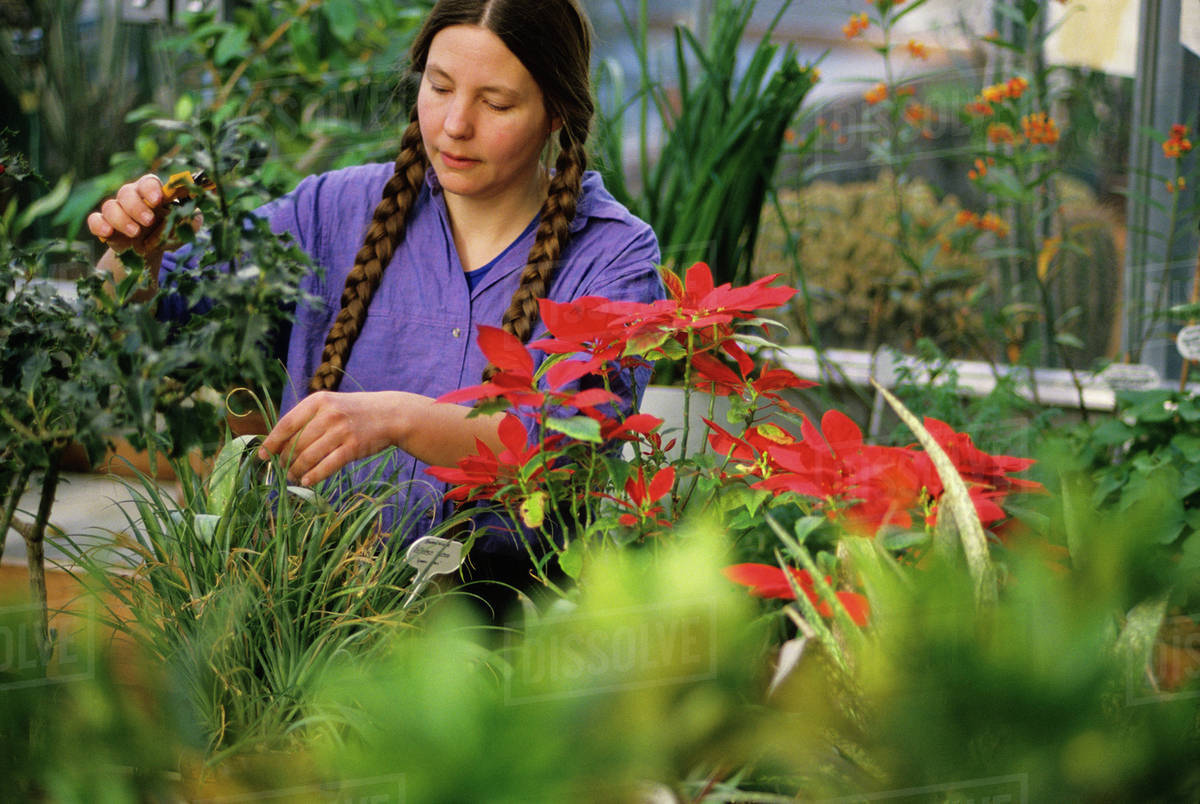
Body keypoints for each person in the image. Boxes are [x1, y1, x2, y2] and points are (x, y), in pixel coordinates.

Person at [86, 0, 664, 601]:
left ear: (555, 114)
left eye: (496, 104)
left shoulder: (612, 256)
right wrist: (136, 253)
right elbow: (152, 318)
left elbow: (565, 442)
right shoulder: (331, 211)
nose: (454, 125)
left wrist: (398, 418)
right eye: (439, 88)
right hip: (306, 615)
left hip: (502, 637)